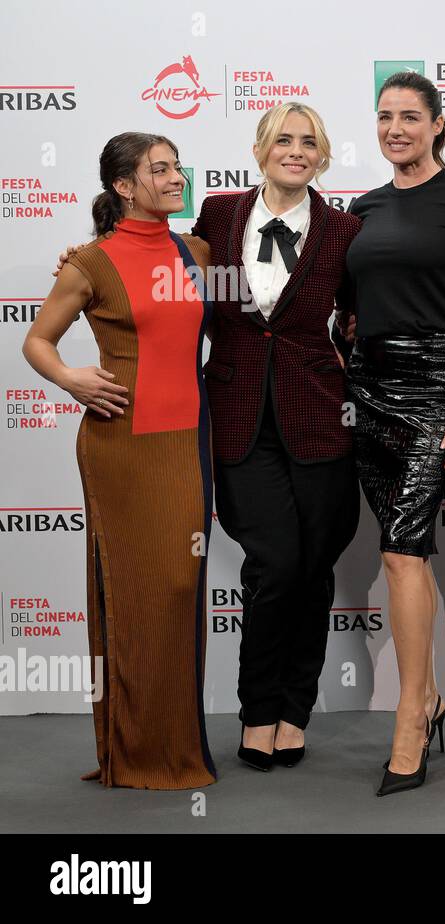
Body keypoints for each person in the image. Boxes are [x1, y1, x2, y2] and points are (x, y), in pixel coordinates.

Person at [24, 133, 216, 789]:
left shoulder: (196, 253)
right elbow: (38, 342)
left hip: (187, 442)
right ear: (124, 187)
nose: (174, 175)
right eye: (158, 169)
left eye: (175, 165)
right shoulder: (90, 263)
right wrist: (71, 379)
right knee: (135, 595)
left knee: (178, 590)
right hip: (121, 444)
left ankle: (168, 744)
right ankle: (135, 754)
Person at [337, 70, 445, 796]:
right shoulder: (360, 209)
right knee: (411, 555)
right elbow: (329, 297)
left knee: (401, 552)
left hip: (440, 387)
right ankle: (431, 694)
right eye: (385, 117)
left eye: (410, 116)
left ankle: (410, 716)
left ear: (438, 124)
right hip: (368, 390)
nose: (396, 128)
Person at [190, 102, 362, 771]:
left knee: (312, 571)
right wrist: (87, 253)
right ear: (260, 149)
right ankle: (257, 710)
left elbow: (359, 314)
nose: (296, 150)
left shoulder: (344, 230)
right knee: (275, 566)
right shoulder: (218, 213)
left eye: (309, 142)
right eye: (283, 139)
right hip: (237, 414)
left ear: (323, 156)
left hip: (320, 416)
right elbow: (163, 263)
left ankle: (295, 711)